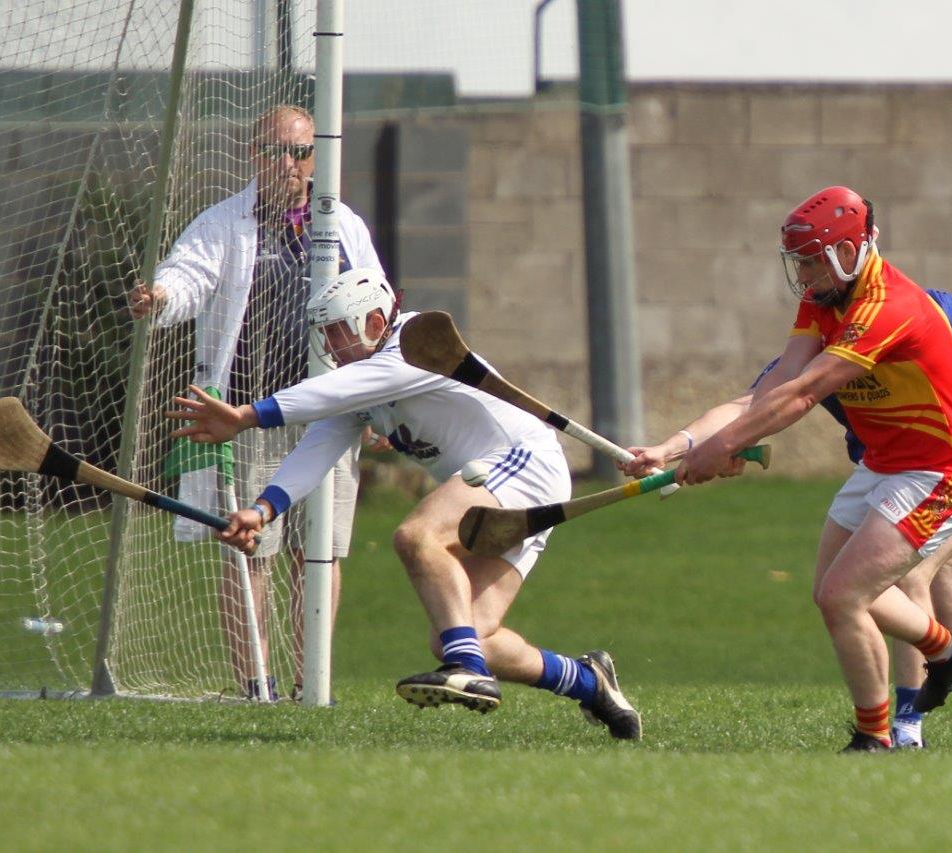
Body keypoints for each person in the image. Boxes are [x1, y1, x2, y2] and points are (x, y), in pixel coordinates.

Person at [644, 186, 952, 751]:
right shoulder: (821, 299)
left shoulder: (891, 306)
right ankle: (943, 654)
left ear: (848, 251)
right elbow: (770, 389)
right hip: (884, 463)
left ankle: (885, 732)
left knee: (851, 592)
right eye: (801, 260)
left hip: (945, 469)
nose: (804, 272)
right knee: (836, 595)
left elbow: (803, 394)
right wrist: (675, 446)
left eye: (813, 259)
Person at [165, 268, 641, 739]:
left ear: (374, 323)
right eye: (324, 333)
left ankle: (469, 670)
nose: (328, 345)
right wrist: (263, 510)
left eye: (335, 331)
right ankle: (587, 682)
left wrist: (248, 416)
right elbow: (319, 444)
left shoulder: (415, 349)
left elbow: (328, 394)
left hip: (519, 462)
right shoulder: (363, 382)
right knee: (463, 633)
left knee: (417, 537)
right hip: (504, 482)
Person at [129, 104, 382, 700]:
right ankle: (255, 684)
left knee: (318, 553)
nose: (289, 166)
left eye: (300, 153)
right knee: (252, 551)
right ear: (254, 156)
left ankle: (309, 682)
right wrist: (161, 296)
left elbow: (376, 310)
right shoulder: (225, 222)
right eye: (276, 152)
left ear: (315, 157)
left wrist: (376, 403)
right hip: (244, 416)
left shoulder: (342, 224)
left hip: (327, 413)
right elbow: (190, 273)